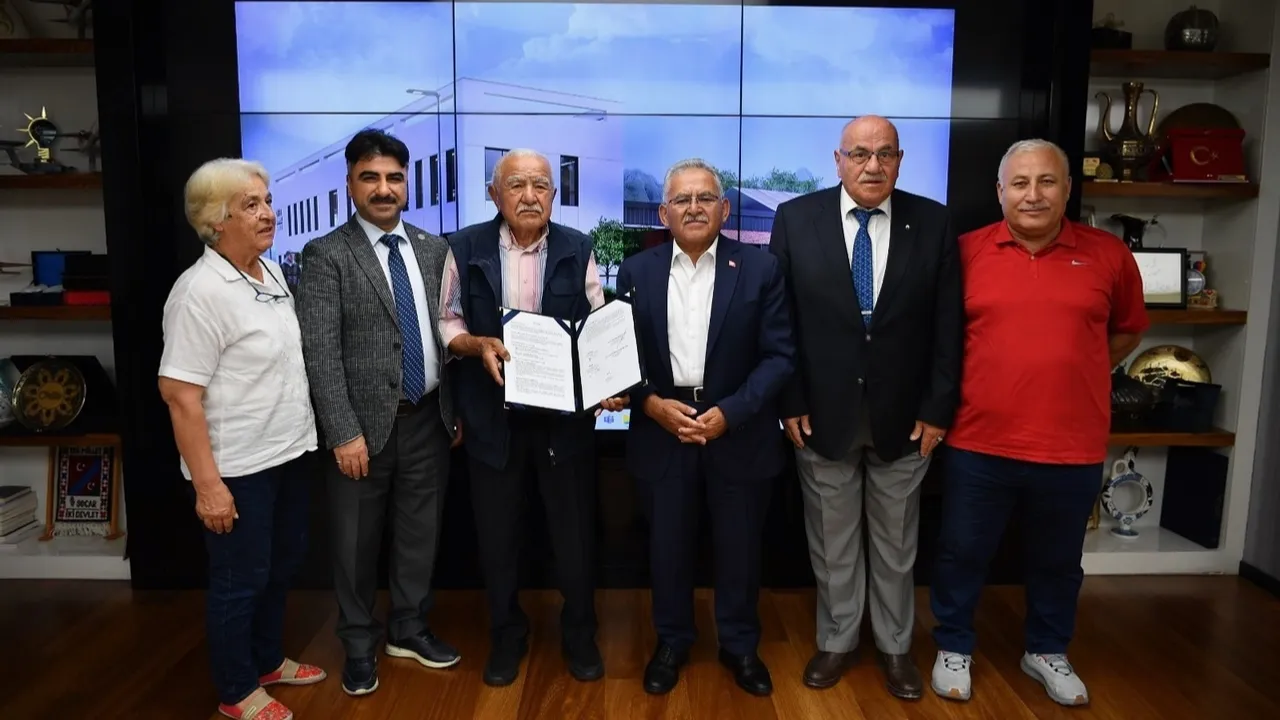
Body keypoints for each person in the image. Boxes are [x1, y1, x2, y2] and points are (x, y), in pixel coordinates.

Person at [929, 138, 1147, 707]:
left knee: (1058, 560)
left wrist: (1075, 365)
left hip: (1071, 445)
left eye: (1046, 182)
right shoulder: (966, 252)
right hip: (978, 440)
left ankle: (1047, 650)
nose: (1033, 195)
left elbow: (1126, 331)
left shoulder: (1108, 255)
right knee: (961, 552)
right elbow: (941, 338)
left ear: (1067, 189)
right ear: (1000, 191)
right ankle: (953, 644)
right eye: (1020, 183)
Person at [768, 115, 963, 699]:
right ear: (838, 160)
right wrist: (790, 399)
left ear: (900, 161)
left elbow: (948, 326)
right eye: (859, 153)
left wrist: (938, 408)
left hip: (906, 415)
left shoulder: (934, 221)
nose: (872, 165)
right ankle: (838, 639)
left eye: (885, 154)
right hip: (821, 412)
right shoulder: (795, 218)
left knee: (897, 543)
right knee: (832, 541)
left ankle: (896, 647)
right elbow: (780, 320)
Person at [612, 158, 795, 697]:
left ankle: (739, 645)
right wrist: (650, 404)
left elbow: (780, 356)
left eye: (705, 198)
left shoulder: (761, 269)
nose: (694, 208)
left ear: (725, 208)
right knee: (667, 548)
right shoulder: (635, 272)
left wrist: (731, 413)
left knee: (740, 549)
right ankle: (672, 641)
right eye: (682, 200)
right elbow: (620, 356)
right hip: (661, 429)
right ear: (663, 213)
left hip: (737, 430)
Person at [295, 129, 462, 697]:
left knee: (421, 536)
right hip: (361, 431)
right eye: (370, 178)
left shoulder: (434, 249)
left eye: (394, 177)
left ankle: (408, 629)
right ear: (350, 184)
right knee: (355, 545)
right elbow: (319, 352)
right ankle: (359, 645)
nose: (384, 189)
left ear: (406, 183)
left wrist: (453, 410)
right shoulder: (326, 255)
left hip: (428, 420)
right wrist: (343, 432)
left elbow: (448, 332)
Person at [159, 158, 326, 720]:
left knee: (280, 566)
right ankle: (236, 691)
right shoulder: (198, 292)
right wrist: (209, 487)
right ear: (215, 221)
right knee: (240, 580)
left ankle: (267, 661)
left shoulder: (270, 272)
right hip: (237, 468)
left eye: (267, 201)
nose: (268, 213)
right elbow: (180, 396)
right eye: (250, 205)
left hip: (288, 452)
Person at [439, 148, 606, 687]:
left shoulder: (580, 248)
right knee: (498, 539)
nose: (530, 196)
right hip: (493, 419)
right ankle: (507, 636)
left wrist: (606, 380)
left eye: (541, 186)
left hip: (564, 424)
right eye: (516, 185)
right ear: (494, 194)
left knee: (573, 539)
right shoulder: (463, 247)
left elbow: (598, 323)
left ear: (553, 195)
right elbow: (448, 320)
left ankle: (580, 634)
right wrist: (476, 344)